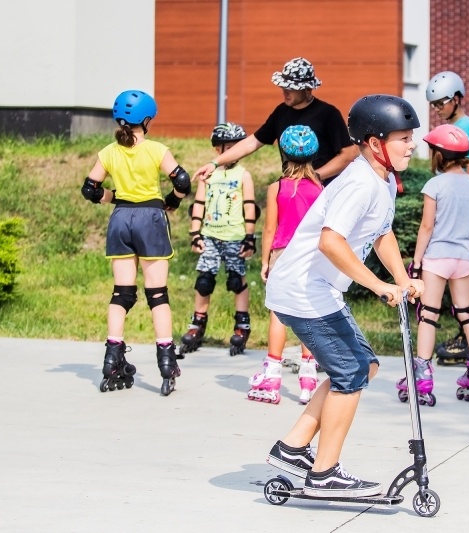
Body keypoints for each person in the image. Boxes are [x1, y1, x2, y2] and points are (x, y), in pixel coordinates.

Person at [264, 94, 424, 498]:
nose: (412, 145)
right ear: (375, 144)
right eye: (404, 138)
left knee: (362, 367)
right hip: (303, 290)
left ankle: (293, 447)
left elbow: (381, 232)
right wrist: (378, 285)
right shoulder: (358, 183)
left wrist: (403, 279)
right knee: (350, 373)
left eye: (412, 137)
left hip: (315, 290)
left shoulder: (382, 181)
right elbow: (331, 242)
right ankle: (325, 473)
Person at [81, 89, 189, 397]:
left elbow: (90, 189)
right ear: (146, 120)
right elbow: (182, 181)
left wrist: (113, 197)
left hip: (120, 219)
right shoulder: (155, 149)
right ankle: (167, 364)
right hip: (150, 219)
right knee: (157, 295)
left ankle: (111, 360)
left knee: (122, 294)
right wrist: (173, 201)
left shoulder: (108, 152)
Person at [399, 124, 469, 406]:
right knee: (468, 315)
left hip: (437, 258)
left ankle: (422, 377)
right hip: (463, 258)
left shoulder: (435, 185)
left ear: (440, 155)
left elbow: (427, 226)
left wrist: (415, 261)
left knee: (428, 315)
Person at [193, 57, 358, 187]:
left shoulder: (328, 114)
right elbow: (252, 142)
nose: (284, 91)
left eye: (291, 87)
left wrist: (314, 178)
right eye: (283, 86)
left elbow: (349, 154)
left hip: (324, 192)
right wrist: (214, 163)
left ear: (307, 89)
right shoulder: (281, 112)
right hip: (292, 192)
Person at [249, 125, 323, 405]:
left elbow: (269, 229)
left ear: (284, 153)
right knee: (308, 312)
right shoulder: (319, 188)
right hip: (311, 256)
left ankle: (272, 375)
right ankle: (307, 376)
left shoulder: (276, 188)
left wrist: (265, 261)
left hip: (283, 253)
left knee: (279, 313)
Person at [180, 123, 258, 358]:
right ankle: (197, 324)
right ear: (218, 149)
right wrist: (195, 234)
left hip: (235, 236)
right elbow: (199, 205)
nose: (234, 151)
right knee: (204, 281)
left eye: (237, 147)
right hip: (211, 235)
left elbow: (250, 207)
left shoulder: (243, 175)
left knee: (236, 280)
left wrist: (249, 238)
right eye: (229, 147)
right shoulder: (208, 174)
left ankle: (241, 325)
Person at [425, 71, 469, 364]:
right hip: (460, 216)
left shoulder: (466, 126)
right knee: (462, 276)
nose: (438, 108)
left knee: (464, 281)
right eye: (434, 104)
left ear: (457, 99)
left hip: (461, 218)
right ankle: (468, 336)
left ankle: (467, 337)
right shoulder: (456, 125)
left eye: (442, 103)